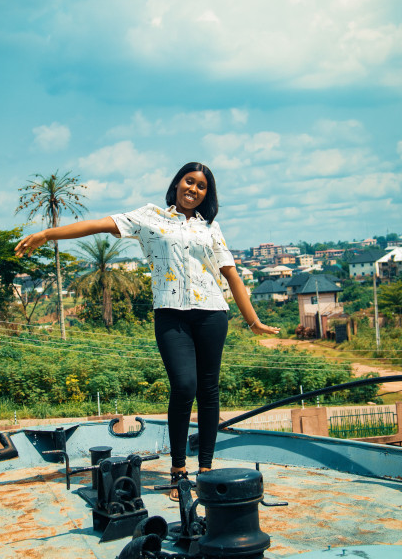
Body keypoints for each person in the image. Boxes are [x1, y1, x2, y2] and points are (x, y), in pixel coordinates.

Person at [15, 162, 279, 499]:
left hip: (212, 314)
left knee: (208, 390)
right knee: (185, 386)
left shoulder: (211, 228)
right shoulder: (149, 217)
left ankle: (207, 471)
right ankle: (179, 470)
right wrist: (46, 234)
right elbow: (98, 225)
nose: (194, 190)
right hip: (171, 315)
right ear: (177, 183)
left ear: (206, 195)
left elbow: (231, 275)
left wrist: (252, 319)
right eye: (189, 181)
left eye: (202, 187)